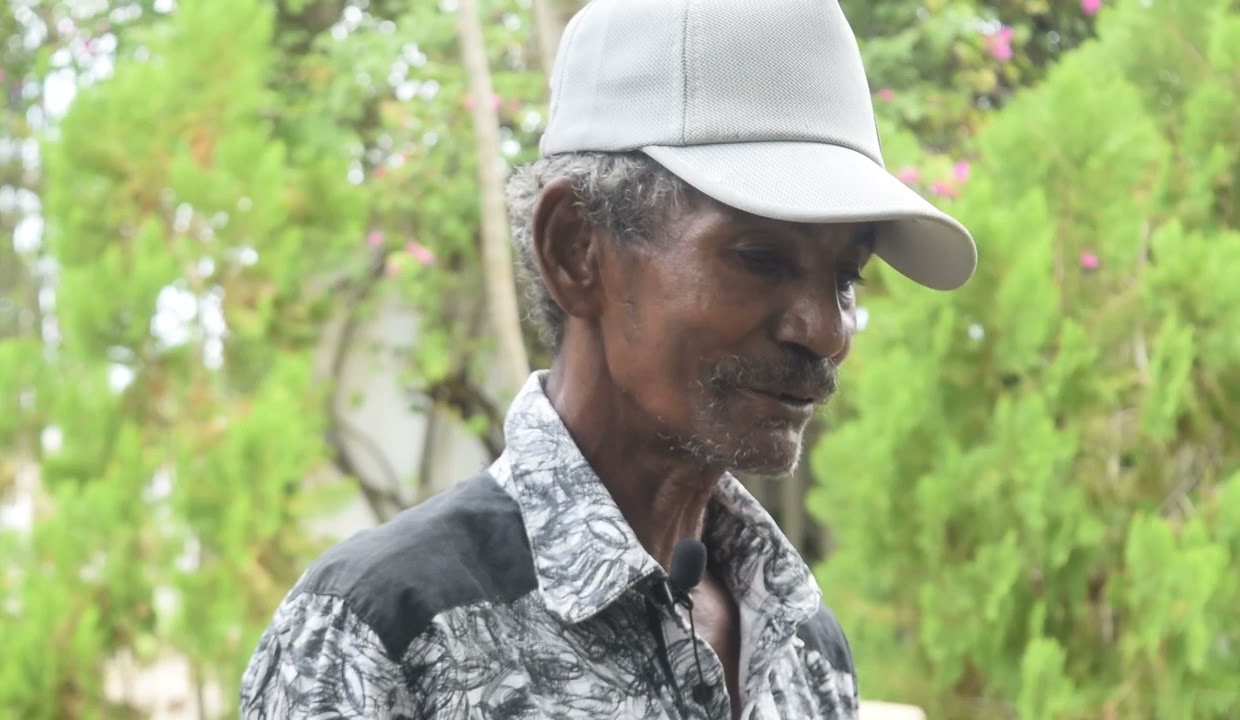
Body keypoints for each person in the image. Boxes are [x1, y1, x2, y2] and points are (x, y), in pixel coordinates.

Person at [240, 0, 977, 717]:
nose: (824, 331)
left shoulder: (804, 647)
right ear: (576, 250)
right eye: (761, 257)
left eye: (846, 277)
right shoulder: (383, 636)